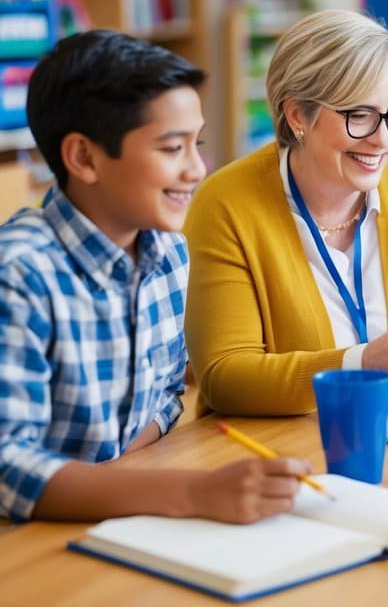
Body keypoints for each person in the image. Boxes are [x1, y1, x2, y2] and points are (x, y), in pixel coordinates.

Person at [0, 30, 308, 523]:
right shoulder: (20, 275)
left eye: (197, 144)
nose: (197, 168)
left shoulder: (169, 254)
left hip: (121, 522)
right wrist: (188, 493)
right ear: (84, 158)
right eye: (171, 148)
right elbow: (8, 468)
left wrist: (125, 482)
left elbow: (165, 397)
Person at [185, 10, 388, 416]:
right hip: (283, 457)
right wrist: (361, 363)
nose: (383, 139)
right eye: (359, 116)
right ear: (298, 115)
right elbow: (224, 378)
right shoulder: (225, 203)